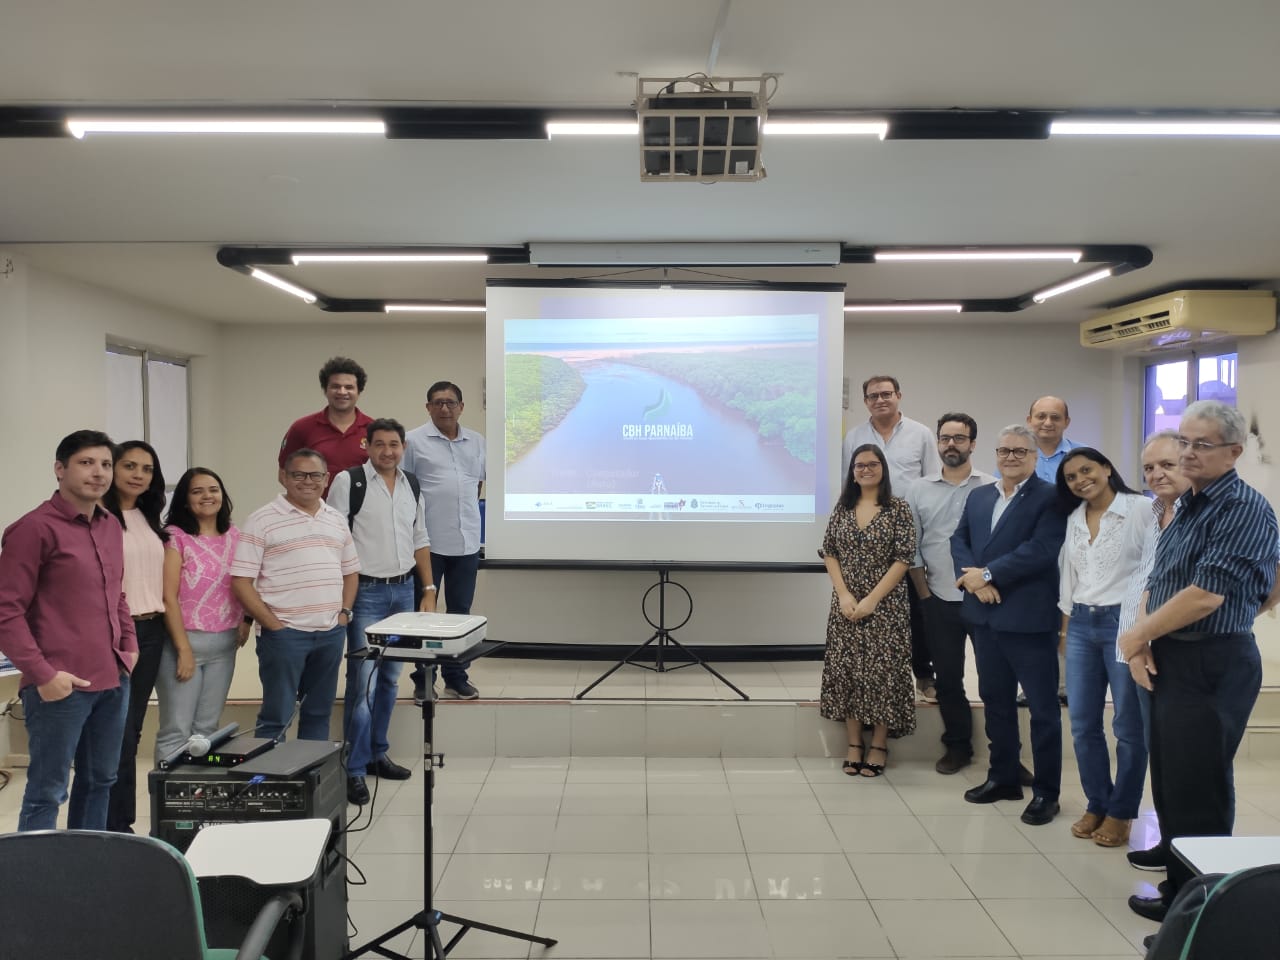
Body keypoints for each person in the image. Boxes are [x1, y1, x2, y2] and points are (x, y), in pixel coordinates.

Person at [1120, 401, 1280, 924]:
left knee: (1200, 784)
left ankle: (1195, 902)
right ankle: (1175, 854)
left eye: (1201, 445)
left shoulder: (1243, 508)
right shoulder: (1191, 500)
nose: (1187, 453)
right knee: (1169, 773)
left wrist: (1134, 637)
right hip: (1172, 650)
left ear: (1234, 452)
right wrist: (1143, 643)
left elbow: (1207, 595)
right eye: (1184, 442)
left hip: (1212, 659)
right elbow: (1161, 577)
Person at [0, 430, 137, 831]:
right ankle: (36, 885)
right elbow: (6, 610)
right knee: (48, 790)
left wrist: (128, 646)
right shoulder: (32, 529)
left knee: (100, 782)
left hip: (113, 678)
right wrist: (43, 674)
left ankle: (85, 874)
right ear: (60, 470)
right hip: (61, 685)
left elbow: (117, 593)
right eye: (86, 463)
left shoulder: (110, 525)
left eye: (106, 464)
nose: (99, 473)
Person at [952, 424, 1067, 825]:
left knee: (1042, 710)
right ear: (995, 455)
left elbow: (1040, 550)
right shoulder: (980, 495)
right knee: (996, 703)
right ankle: (1002, 777)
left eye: (1020, 451)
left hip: (1029, 619)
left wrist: (986, 576)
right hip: (984, 617)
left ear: (1035, 457)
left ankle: (1047, 793)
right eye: (1004, 451)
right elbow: (959, 540)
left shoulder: (1052, 497)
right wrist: (972, 581)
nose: (1011, 457)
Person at [327, 419, 437, 806]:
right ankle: (353, 769)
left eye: (394, 444)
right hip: (367, 594)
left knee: (391, 680)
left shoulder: (412, 484)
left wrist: (428, 589)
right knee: (364, 685)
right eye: (380, 444)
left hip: (403, 592)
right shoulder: (349, 482)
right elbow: (334, 538)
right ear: (366, 445)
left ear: (403, 447)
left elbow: (420, 538)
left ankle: (377, 754)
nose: (387, 451)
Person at [1056, 447, 1152, 848]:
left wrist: (1144, 631)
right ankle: (1097, 801)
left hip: (1124, 623)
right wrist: (1064, 631)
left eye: (1087, 470)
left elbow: (1154, 569)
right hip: (1081, 623)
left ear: (1107, 468)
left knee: (1128, 727)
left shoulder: (1140, 509)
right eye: (1072, 477)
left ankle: (1122, 811)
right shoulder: (1075, 518)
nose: (1081, 480)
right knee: (1082, 724)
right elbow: (1069, 576)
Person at [232, 449, 360, 741]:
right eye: (298, 474)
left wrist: (344, 614)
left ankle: (310, 783)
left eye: (315, 475)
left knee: (319, 713)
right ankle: (270, 782)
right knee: (277, 716)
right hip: (284, 637)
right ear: (283, 477)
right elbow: (240, 581)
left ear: (326, 479)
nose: (307, 481)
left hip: (329, 633)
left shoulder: (336, 519)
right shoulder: (261, 520)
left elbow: (351, 571)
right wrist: (274, 624)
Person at [841, 374, 941, 703]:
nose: (880, 400)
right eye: (873, 396)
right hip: (868, 539)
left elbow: (932, 483)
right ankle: (870, 679)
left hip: (911, 536)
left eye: (886, 394)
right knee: (871, 608)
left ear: (899, 395)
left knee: (917, 609)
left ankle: (924, 675)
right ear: (865, 401)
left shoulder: (920, 434)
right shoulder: (854, 436)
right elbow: (849, 485)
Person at [819, 443, 917, 778]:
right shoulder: (843, 507)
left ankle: (879, 743)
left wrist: (873, 599)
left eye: (872, 464)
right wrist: (844, 595)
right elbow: (829, 551)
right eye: (859, 465)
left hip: (886, 606)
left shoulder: (897, 508)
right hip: (845, 606)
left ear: (883, 468)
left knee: (883, 675)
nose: (865, 470)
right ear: (852, 471)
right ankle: (853, 744)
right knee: (847, 671)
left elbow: (904, 558)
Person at [906, 413, 995, 774]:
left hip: (986, 599)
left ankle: (1003, 752)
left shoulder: (992, 487)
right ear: (938, 443)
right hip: (940, 599)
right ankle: (957, 747)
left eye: (959, 438)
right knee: (948, 679)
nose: (951, 445)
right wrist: (925, 597)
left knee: (994, 680)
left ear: (973, 444)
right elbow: (911, 548)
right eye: (945, 438)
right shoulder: (918, 489)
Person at [1118, 430, 1191, 872]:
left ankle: (1189, 855)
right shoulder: (1152, 511)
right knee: (1159, 753)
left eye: (1167, 464)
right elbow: (1145, 579)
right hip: (1142, 644)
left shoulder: (1199, 513)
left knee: (1186, 760)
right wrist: (1134, 642)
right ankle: (1170, 842)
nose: (1156, 474)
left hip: (1181, 647)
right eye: (1148, 468)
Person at [154, 467, 250, 764]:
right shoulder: (174, 537)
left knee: (207, 730)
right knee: (176, 730)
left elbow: (245, 581)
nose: (207, 496)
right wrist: (183, 650)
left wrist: (246, 619)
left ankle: (196, 802)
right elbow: (168, 596)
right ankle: (169, 804)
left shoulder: (235, 535)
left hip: (224, 646)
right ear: (184, 500)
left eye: (213, 489)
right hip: (183, 646)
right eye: (197, 491)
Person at [103, 440, 170, 833]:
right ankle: (115, 825)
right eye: (129, 466)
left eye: (146, 469)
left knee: (133, 729)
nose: (137, 475)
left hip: (151, 630)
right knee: (119, 732)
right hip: (115, 632)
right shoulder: (100, 517)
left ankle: (119, 821)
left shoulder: (149, 517)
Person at [403, 381, 486, 701]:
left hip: (466, 542)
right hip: (427, 543)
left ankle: (456, 676)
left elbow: (476, 484)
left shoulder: (477, 441)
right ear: (428, 407)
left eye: (451, 402)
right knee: (426, 614)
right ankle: (424, 679)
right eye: (437, 402)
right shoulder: (413, 440)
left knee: (460, 613)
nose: (445, 408)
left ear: (462, 407)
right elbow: (405, 488)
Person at [278, 356, 373, 494]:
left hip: (361, 514)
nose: (342, 392)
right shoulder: (302, 428)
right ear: (325, 390)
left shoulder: (373, 430)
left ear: (359, 392)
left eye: (349, 387)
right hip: (316, 513)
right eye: (335, 386)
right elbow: (283, 474)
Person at [1027, 396, 1080, 483]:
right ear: (1029, 421)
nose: (1048, 423)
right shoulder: (1014, 455)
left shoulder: (1084, 454)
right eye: (1041, 416)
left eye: (1055, 418)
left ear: (1066, 422)